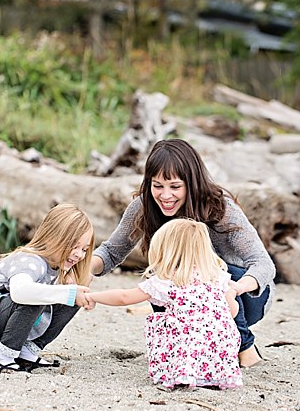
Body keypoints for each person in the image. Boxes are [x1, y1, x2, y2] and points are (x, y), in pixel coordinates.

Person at [90, 138, 275, 367]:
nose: (165, 196)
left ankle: (244, 346)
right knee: (163, 277)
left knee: (202, 274)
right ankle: (187, 347)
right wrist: (83, 268)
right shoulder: (143, 206)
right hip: (190, 299)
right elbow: (111, 251)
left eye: (175, 187)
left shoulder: (220, 208)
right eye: (158, 186)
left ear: (191, 182)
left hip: (243, 297)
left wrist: (237, 287)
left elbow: (263, 264)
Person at [86, 218, 243, 390]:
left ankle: (183, 372)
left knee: (166, 322)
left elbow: (124, 297)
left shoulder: (167, 281)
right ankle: (214, 375)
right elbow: (233, 312)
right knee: (214, 328)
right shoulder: (218, 277)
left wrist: (93, 297)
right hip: (222, 348)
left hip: (187, 346)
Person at [0, 203, 95, 375]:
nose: (79, 254)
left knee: (73, 298)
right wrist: (67, 292)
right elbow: (20, 292)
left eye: (84, 249)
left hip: (7, 328)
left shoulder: (55, 266)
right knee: (36, 295)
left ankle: (27, 351)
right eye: (73, 246)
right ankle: (2, 358)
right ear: (51, 237)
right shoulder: (31, 260)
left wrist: (75, 291)